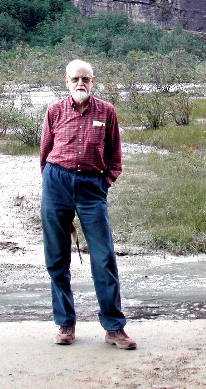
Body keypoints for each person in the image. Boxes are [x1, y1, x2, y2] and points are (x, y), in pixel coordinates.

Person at [40, 58, 136, 349]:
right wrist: (51, 184)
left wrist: (104, 182)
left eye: (86, 79)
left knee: (104, 256)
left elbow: (114, 154)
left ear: (93, 81)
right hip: (57, 182)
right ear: (66, 82)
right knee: (57, 258)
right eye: (75, 79)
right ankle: (65, 324)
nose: (80, 84)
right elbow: (45, 153)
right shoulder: (54, 110)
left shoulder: (106, 111)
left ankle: (114, 327)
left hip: (92, 186)